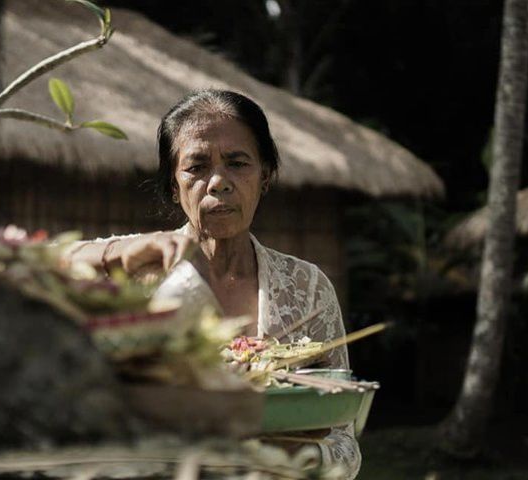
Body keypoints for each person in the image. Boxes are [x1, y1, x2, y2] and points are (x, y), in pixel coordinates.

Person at [70, 89, 361, 478]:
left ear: (266, 176)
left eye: (238, 163)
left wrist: (292, 455)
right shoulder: (134, 270)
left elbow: (346, 442)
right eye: (196, 167)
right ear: (174, 185)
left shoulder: (307, 289)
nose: (218, 182)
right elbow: (38, 259)